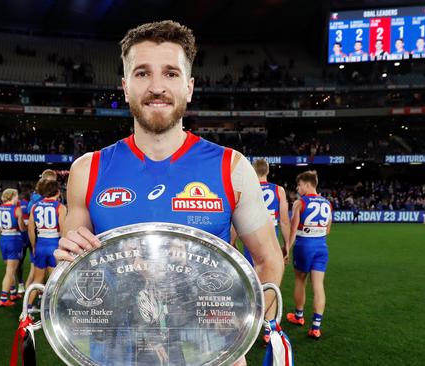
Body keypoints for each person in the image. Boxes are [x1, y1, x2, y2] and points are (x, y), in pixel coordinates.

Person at [53, 20, 284, 365]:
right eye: (143, 73)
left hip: (207, 355)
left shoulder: (232, 168)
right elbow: (78, 273)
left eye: (171, 74)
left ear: (189, 87)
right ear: (125, 86)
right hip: (115, 355)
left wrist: (239, 334)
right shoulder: (88, 170)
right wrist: (67, 260)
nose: (157, 86)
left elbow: (269, 260)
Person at [284, 171, 332, 340]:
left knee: (300, 280)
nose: (298, 188)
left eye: (299, 185)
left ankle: (298, 316)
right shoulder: (327, 202)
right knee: (318, 286)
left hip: (304, 246)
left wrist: (287, 249)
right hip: (321, 247)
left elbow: (293, 228)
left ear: (306, 184)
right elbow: (327, 229)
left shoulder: (300, 202)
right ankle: (316, 327)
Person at [239, 159, 290, 265]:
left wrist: (233, 241)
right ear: (267, 171)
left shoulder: (245, 189)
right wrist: (287, 245)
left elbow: (238, 216)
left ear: (252, 171)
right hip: (271, 235)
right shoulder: (279, 190)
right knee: (269, 273)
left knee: (252, 274)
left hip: (251, 234)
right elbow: (284, 222)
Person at [27, 179, 66, 312]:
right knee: (55, 280)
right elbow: (63, 230)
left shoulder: (35, 206)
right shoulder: (60, 207)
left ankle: (28, 308)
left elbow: (31, 228)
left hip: (41, 245)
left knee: (37, 279)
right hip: (54, 245)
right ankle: (53, 309)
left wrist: (33, 245)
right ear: (58, 192)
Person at [0, 188, 25, 307]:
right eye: (16, 196)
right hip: (13, 240)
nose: (18, 198)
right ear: (12, 196)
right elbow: (22, 228)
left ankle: (12, 292)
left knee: (9, 268)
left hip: (4, 240)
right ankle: (3, 298)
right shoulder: (16, 210)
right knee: (10, 270)